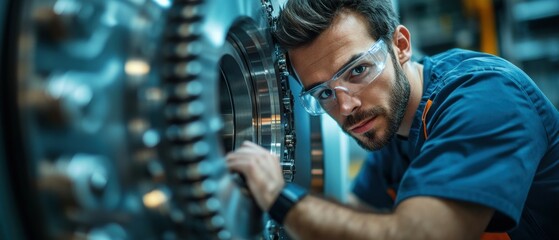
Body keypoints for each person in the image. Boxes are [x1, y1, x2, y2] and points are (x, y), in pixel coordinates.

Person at [225, 0, 559, 239]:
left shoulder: (485, 97)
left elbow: (421, 234)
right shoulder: (388, 125)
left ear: (400, 45)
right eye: (323, 93)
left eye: (358, 70)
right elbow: (360, 213)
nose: (346, 107)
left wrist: (278, 195)